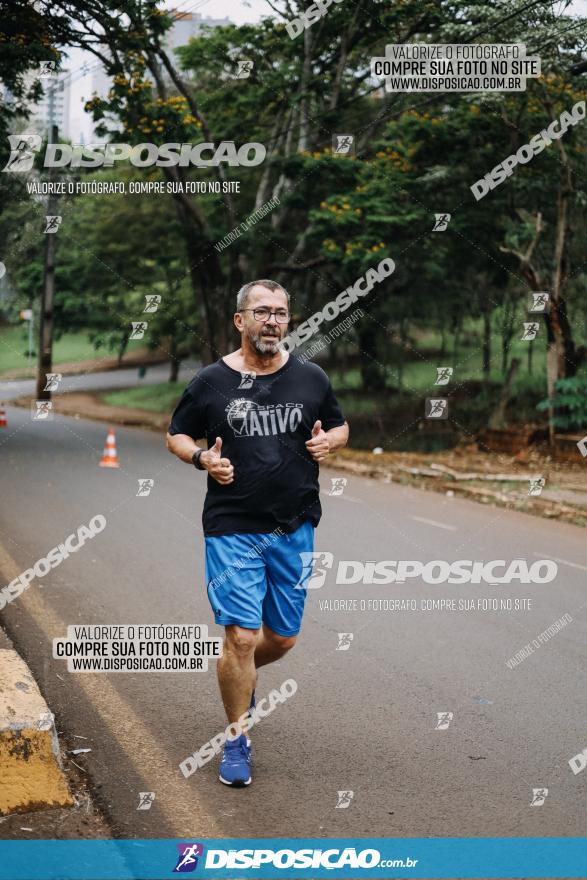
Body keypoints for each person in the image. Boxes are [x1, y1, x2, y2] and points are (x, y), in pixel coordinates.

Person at [166, 279, 348, 786]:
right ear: (239, 320)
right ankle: (236, 738)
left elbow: (339, 425)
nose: (272, 321)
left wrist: (327, 443)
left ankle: (236, 672)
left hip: (294, 525)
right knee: (242, 637)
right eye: (262, 311)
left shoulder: (311, 377)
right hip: (232, 525)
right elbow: (176, 434)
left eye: (281, 312)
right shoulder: (210, 381)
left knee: (283, 640)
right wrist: (202, 457)